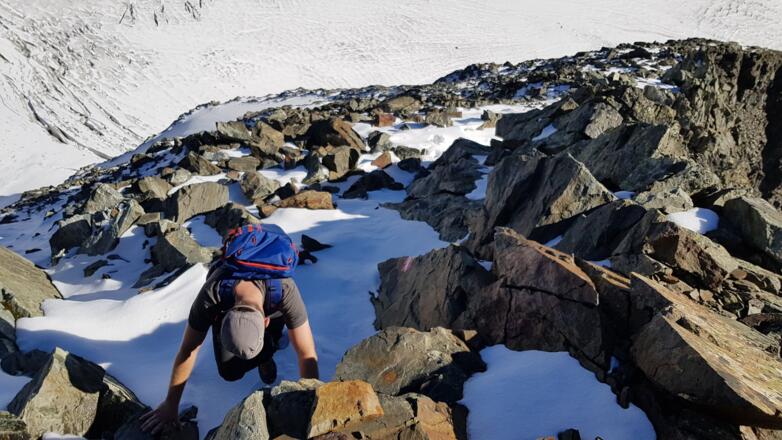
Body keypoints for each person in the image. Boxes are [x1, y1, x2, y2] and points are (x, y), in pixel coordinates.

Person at [140, 225, 318, 434]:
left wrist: (312, 407)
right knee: (229, 371)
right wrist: (171, 404)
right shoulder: (212, 295)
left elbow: (306, 354)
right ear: (222, 319)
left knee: (270, 343)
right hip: (245, 303)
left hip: (274, 305)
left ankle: (266, 354)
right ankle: (262, 352)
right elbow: (188, 350)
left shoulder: (285, 290)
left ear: (265, 322)